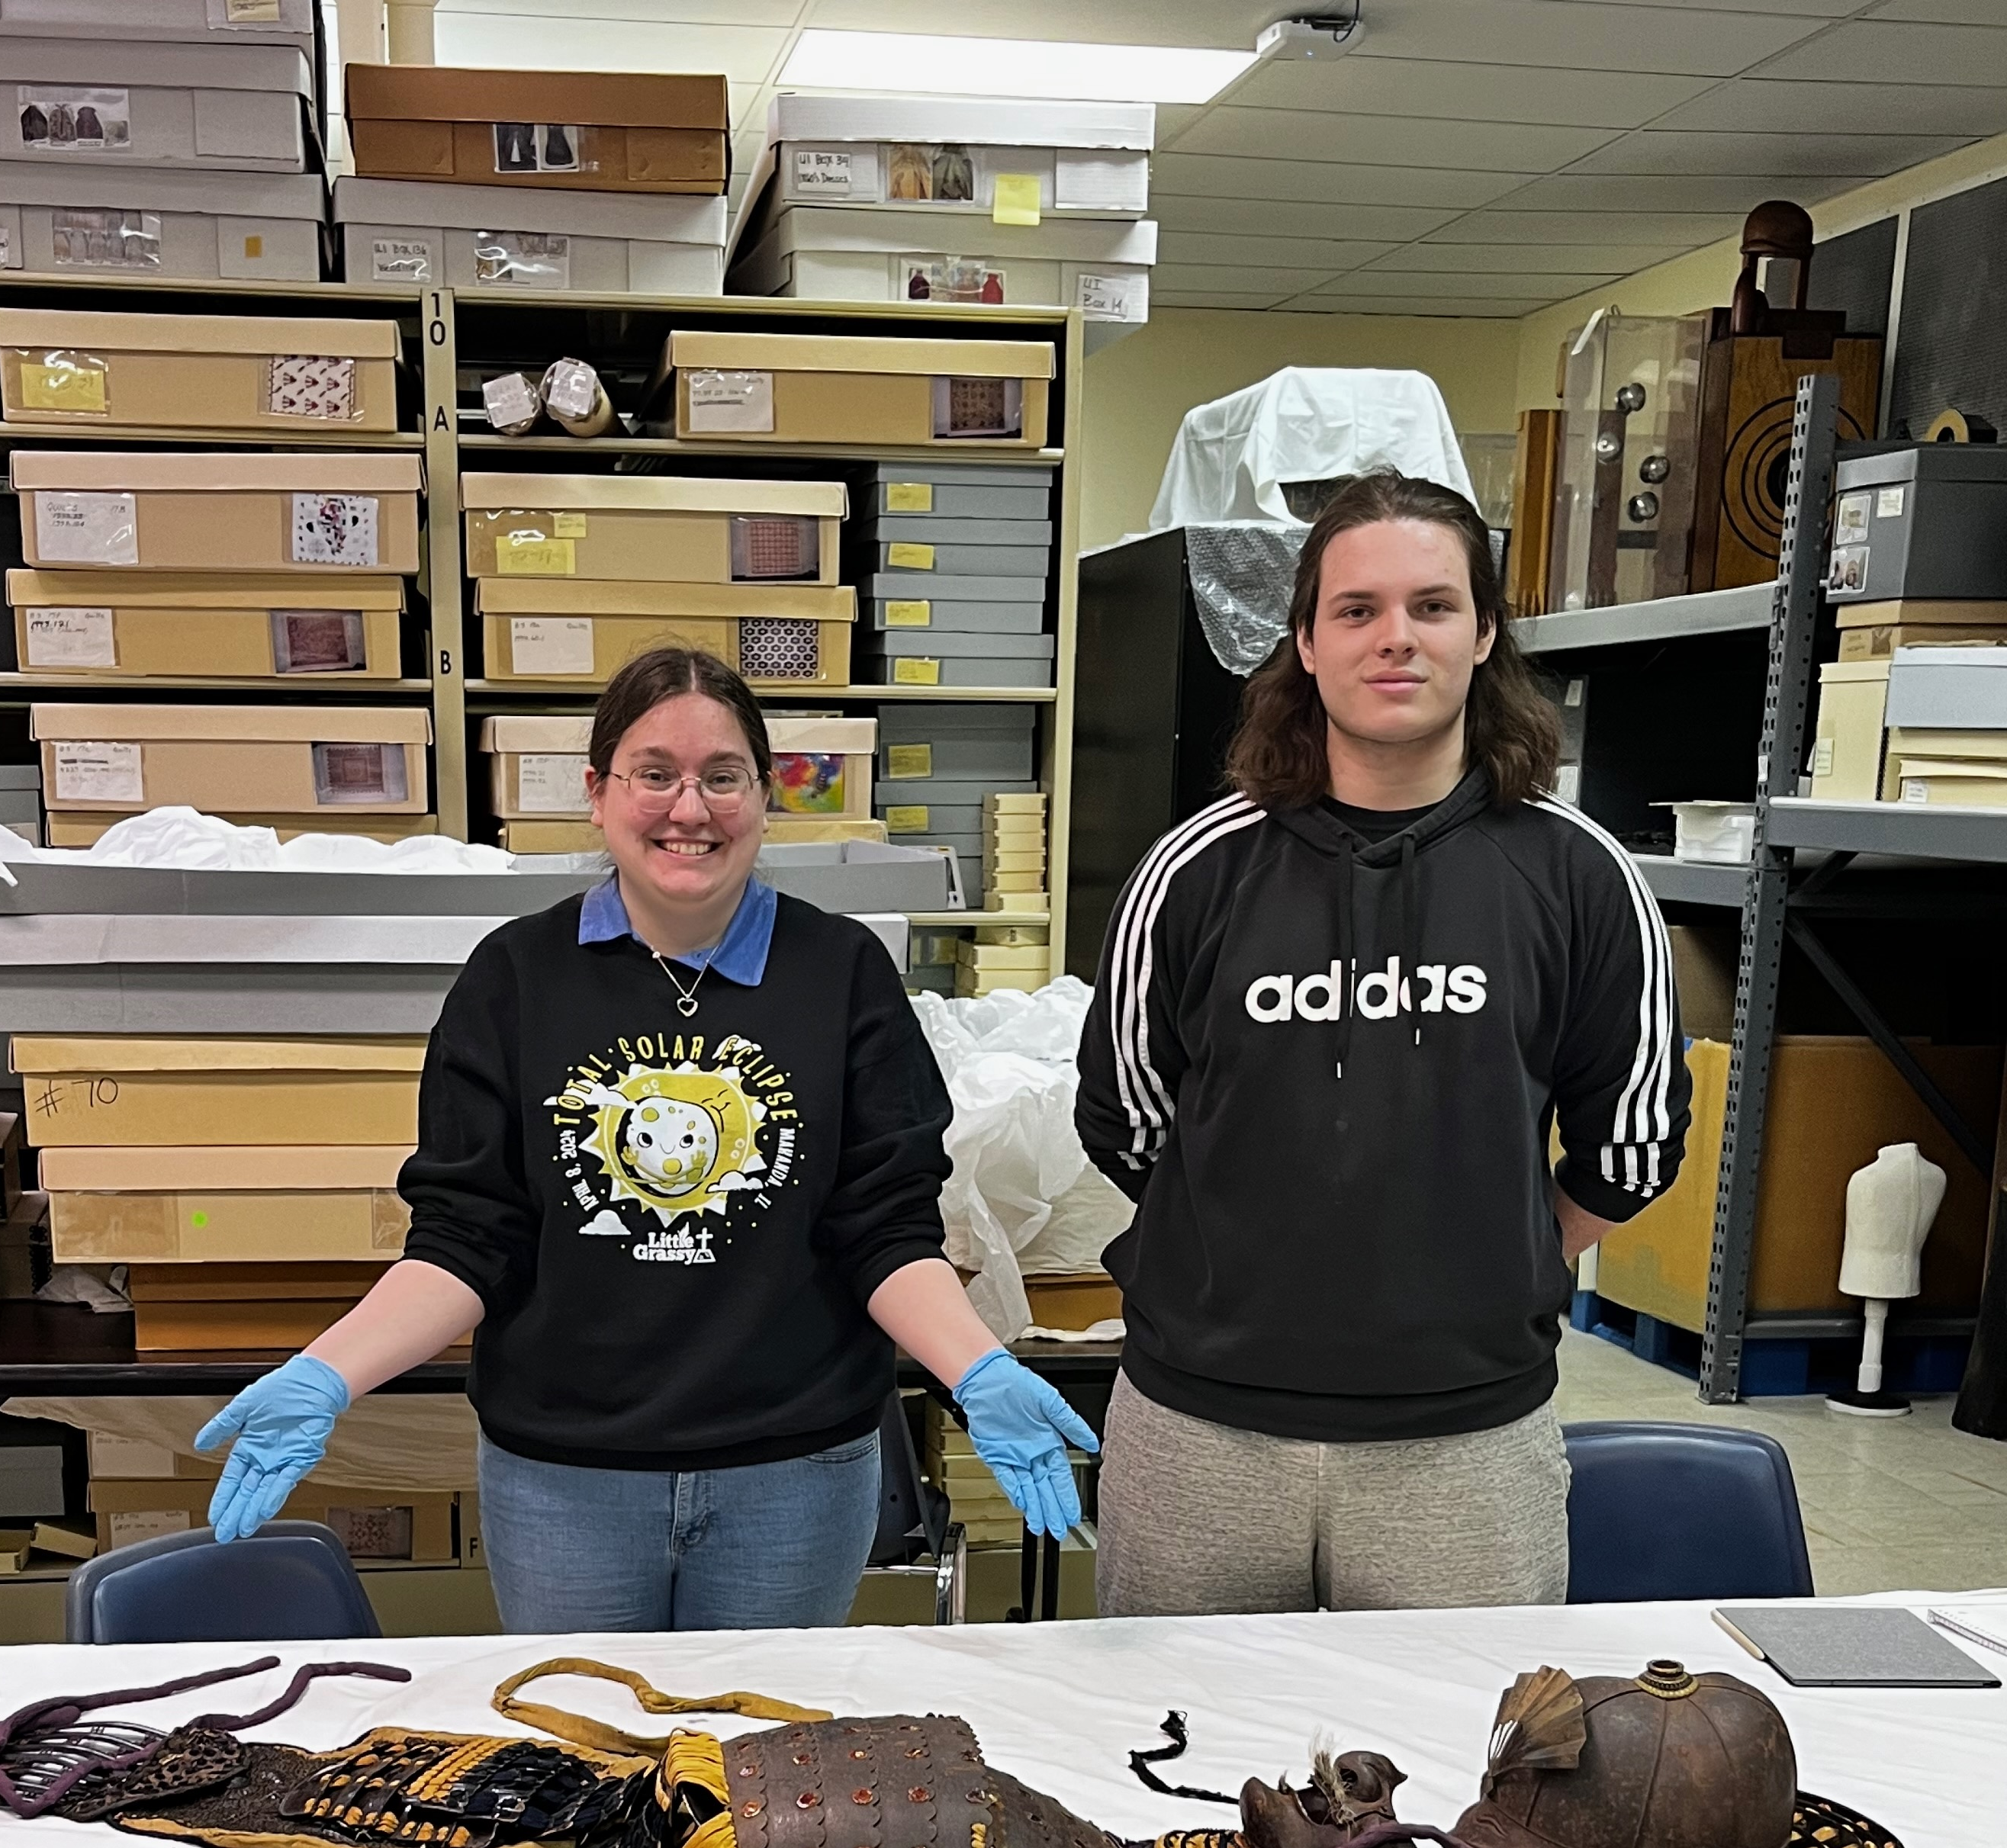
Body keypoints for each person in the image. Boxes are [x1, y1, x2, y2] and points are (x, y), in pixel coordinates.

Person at [196, 643, 1094, 1630]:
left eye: (723, 777)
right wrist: (327, 1372)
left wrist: (978, 1369)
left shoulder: (841, 974)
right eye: (655, 774)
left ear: (764, 795)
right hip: (565, 1484)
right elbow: (467, 1238)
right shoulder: (515, 978)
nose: (689, 808)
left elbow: (882, 1227)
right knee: (586, 1727)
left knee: (761, 1731)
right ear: (598, 793)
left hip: (793, 1477)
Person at [1075, 469, 1688, 1616]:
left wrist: (1507, 1250)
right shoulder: (1195, 870)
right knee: (1177, 1729)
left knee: (1471, 1738)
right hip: (1201, 1434)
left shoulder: (1578, 873)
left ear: (1484, 634)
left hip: (1467, 1445)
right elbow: (1126, 1117)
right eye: (1357, 609)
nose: (1395, 637)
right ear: (1306, 643)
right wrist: (1247, 1242)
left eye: (1433, 605)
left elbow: (1635, 1140)